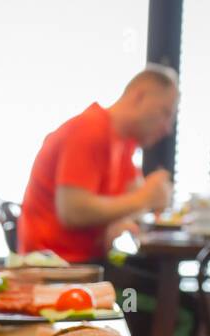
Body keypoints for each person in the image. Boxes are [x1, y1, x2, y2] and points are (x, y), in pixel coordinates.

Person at [17, 65, 177, 262]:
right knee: (152, 287)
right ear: (139, 96)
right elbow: (73, 212)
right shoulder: (89, 130)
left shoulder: (125, 144)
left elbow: (124, 204)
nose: (167, 128)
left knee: (152, 279)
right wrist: (145, 198)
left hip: (89, 262)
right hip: (56, 266)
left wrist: (126, 216)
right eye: (165, 113)